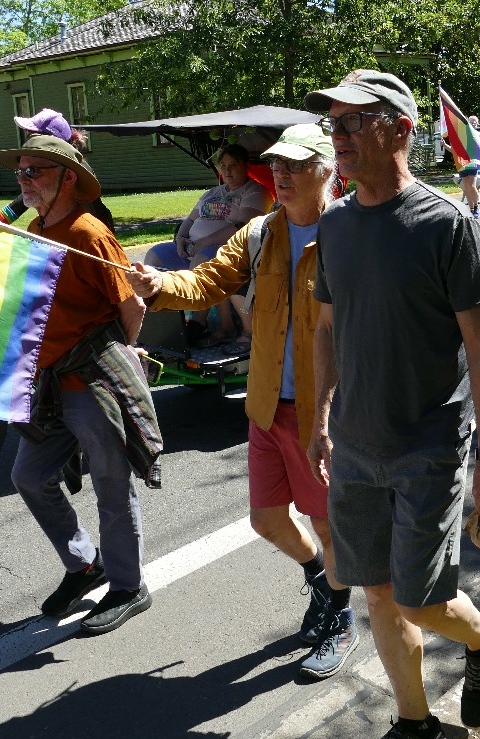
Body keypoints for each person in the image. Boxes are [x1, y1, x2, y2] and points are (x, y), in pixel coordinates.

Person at [304, 69, 480, 739]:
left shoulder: (446, 226)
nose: (334, 138)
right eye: (331, 124)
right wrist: (321, 420)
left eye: (348, 123)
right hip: (356, 442)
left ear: (399, 127)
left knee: (422, 598)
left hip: (429, 443)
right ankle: (415, 723)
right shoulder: (333, 226)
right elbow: (328, 330)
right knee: (376, 593)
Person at [125, 124, 359, 679]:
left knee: (330, 528)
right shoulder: (259, 234)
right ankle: (322, 583)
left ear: (327, 171)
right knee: (267, 520)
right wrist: (157, 285)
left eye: (296, 165)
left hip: (323, 413)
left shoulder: (351, 234)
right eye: (277, 164)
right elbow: (207, 281)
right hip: (264, 407)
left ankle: (341, 616)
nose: (280, 173)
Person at [0, 134, 162, 635]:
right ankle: (86, 564)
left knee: (112, 484)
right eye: (20, 171)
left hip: (91, 384)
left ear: (68, 176)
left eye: (35, 172)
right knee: (28, 477)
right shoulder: (34, 227)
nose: (24, 181)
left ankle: (129, 587)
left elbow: (132, 305)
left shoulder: (89, 233)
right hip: (48, 386)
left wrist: (112, 356)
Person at [144, 144, 270, 353]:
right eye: (223, 166)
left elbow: (242, 226)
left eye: (233, 165)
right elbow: (191, 219)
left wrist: (205, 242)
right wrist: (181, 238)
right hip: (195, 247)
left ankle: (198, 324)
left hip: (227, 250)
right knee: (154, 256)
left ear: (245, 166)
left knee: (203, 260)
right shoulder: (212, 192)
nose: (227, 171)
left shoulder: (255, 190)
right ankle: (165, 326)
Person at [454, 115, 480, 219]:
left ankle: (476, 206)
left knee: (472, 186)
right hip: (463, 162)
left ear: (477, 124)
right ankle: (471, 209)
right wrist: (445, 145)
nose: (473, 123)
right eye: (471, 121)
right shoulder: (462, 135)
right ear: (467, 123)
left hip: (473, 162)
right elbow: (455, 149)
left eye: (475, 122)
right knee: (467, 187)